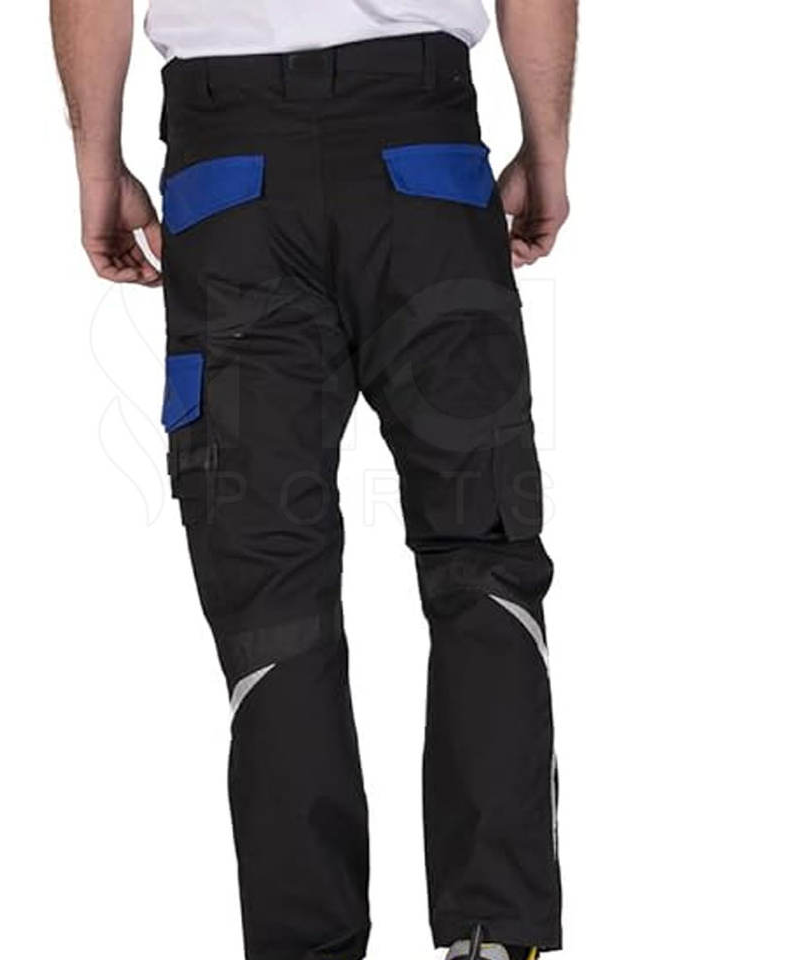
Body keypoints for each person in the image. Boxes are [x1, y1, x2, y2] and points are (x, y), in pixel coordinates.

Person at [50, 1, 576, 958]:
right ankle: (495, 937)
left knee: (270, 587)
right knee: (481, 551)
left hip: (229, 172)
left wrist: (97, 166)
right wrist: (548, 148)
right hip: (424, 159)